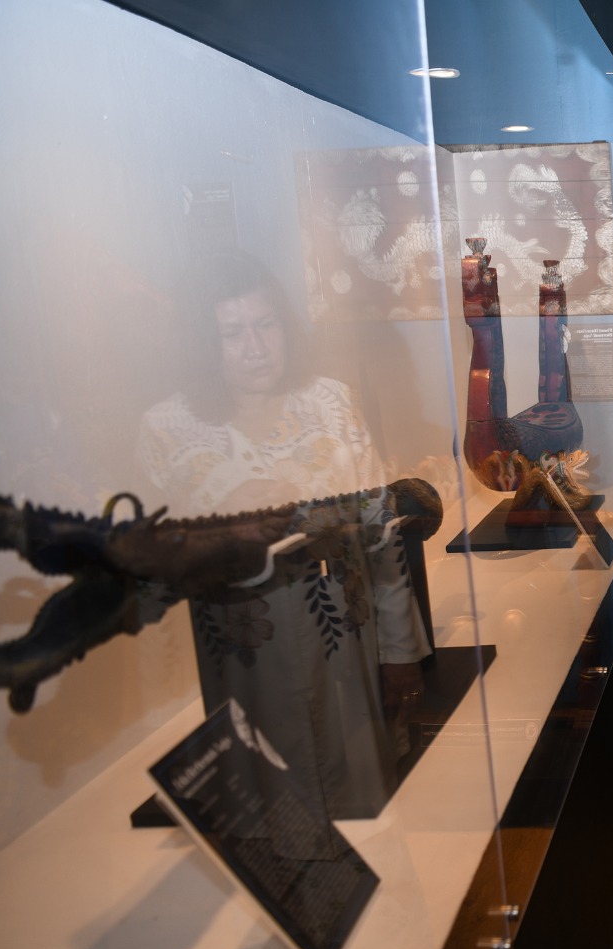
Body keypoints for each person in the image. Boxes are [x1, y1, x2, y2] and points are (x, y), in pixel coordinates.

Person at [138, 251, 432, 821]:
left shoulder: (330, 402)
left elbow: (381, 539)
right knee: (270, 818)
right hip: (241, 661)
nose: (255, 347)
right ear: (203, 341)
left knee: (364, 808)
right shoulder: (166, 430)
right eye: (232, 333)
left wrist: (400, 653)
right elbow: (153, 573)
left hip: (344, 647)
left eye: (266, 325)